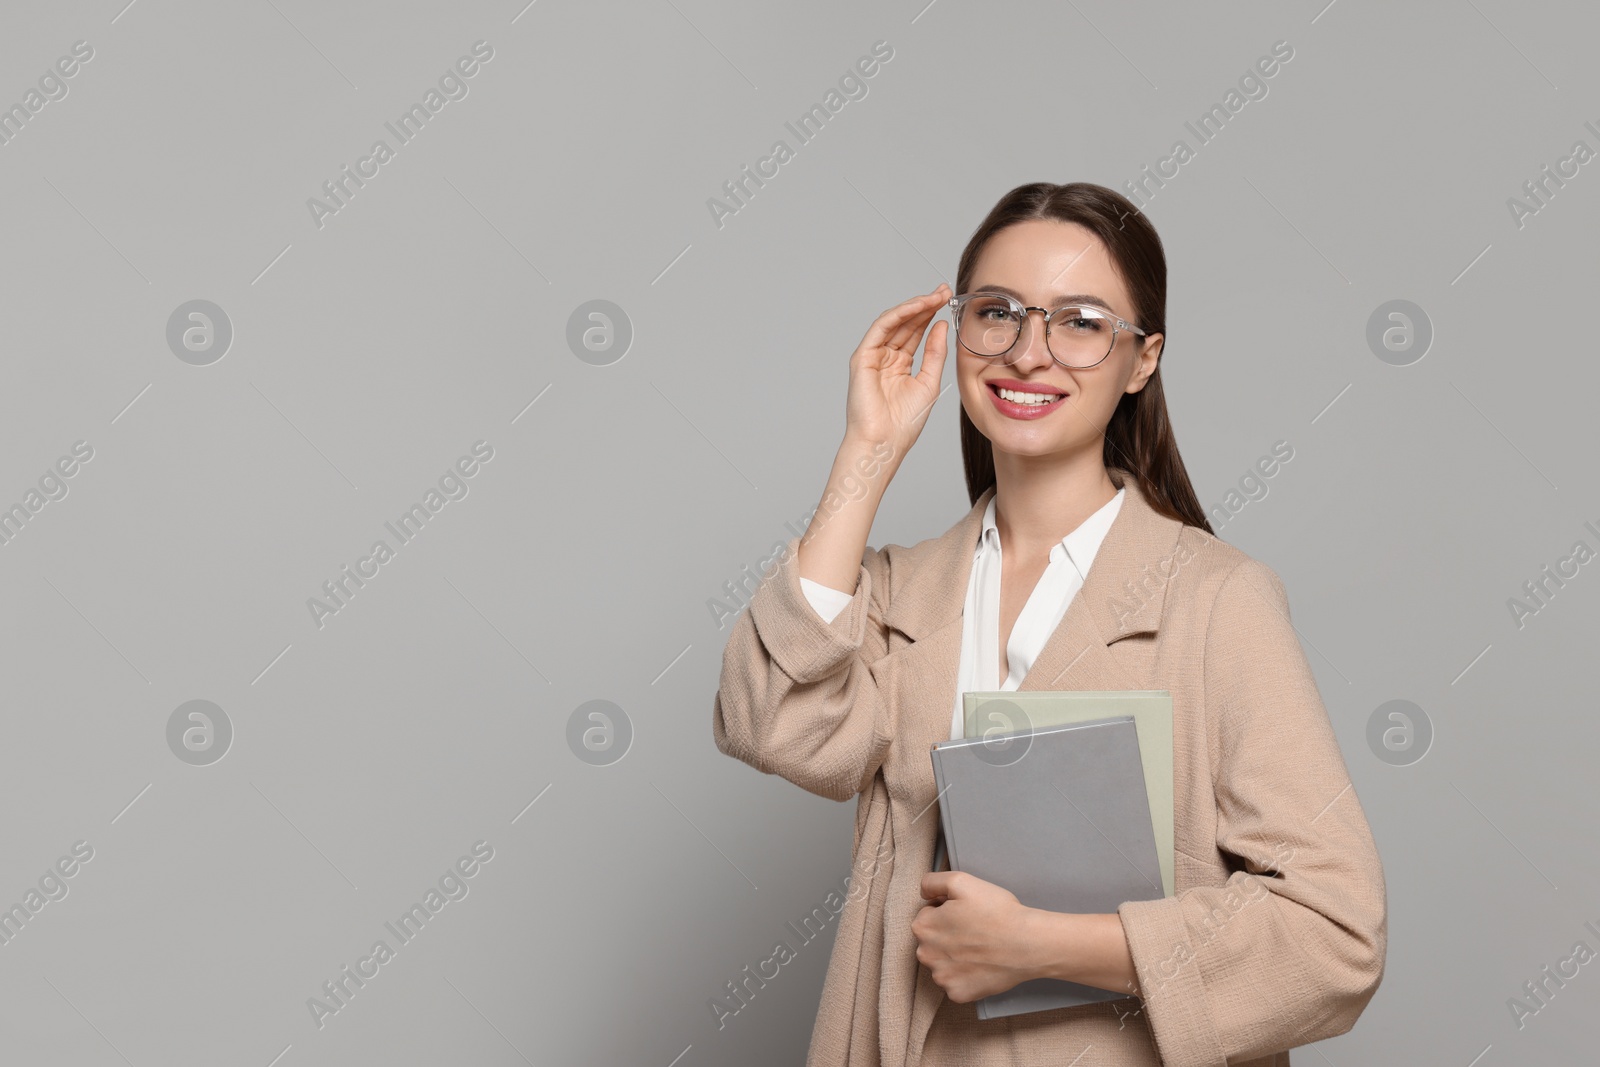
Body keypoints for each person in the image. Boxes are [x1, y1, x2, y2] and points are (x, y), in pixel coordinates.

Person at [712, 181, 1386, 1067]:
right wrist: (867, 456)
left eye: (1078, 321)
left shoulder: (1219, 601)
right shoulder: (896, 596)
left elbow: (1335, 932)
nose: (1029, 352)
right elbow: (776, 724)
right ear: (957, 333)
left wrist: (1051, 947)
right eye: (998, 313)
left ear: (1142, 358)